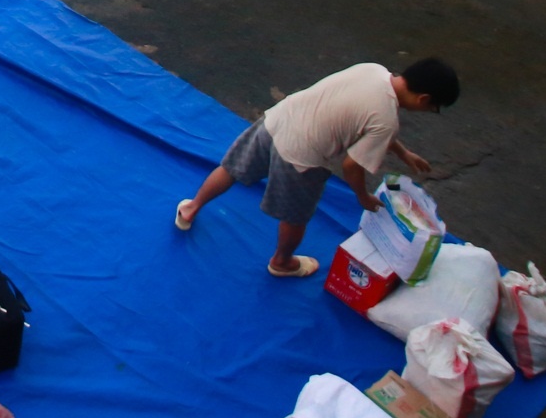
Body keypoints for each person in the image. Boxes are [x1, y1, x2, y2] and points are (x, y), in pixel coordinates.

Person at [174, 58, 459, 277]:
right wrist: (362, 197)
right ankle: (282, 262)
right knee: (296, 217)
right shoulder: (386, 122)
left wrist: (404, 153)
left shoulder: (373, 70)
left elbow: (369, 121)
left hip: (280, 120)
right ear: (424, 99)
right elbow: (351, 165)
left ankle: (191, 208)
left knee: (231, 168)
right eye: (432, 108)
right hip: (301, 155)